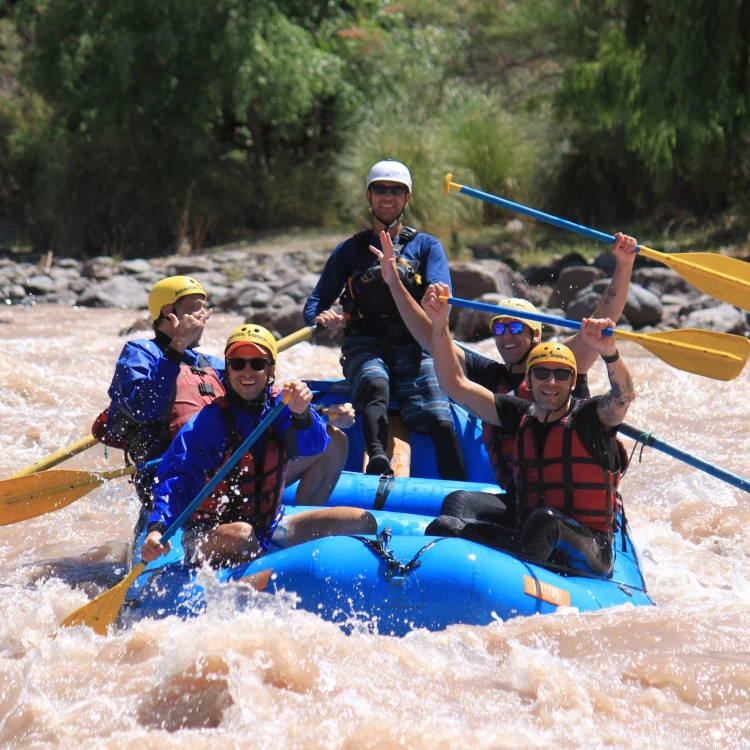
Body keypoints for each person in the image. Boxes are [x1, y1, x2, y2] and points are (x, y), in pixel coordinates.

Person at [369, 230, 637, 518]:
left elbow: (602, 319)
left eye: (516, 328)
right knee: (459, 508)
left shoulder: (562, 364)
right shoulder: (494, 379)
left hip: (572, 507)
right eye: (499, 328)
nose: (506, 336)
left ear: (537, 335)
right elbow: (433, 341)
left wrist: (623, 264)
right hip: (525, 495)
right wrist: (394, 282)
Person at [421, 288, 636, 575]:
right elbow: (454, 385)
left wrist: (610, 354)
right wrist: (439, 324)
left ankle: (518, 586)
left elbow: (623, 397)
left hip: (589, 546)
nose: (551, 382)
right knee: (447, 522)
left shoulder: (590, 418)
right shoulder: (520, 414)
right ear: (529, 382)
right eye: (542, 374)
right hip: (531, 534)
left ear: (573, 383)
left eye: (561, 374)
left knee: (545, 521)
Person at [98, 277, 350, 519]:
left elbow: (260, 400)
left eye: (204, 309)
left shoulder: (209, 363)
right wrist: (176, 347)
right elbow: (144, 409)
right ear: (168, 312)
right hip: (178, 472)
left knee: (333, 441)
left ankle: (288, 530)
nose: (204, 317)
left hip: (229, 465)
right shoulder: (140, 353)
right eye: (195, 309)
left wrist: (315, 411)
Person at [141, 324, 376, 566]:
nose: (247, 371)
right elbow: (176, 479)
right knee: (243, 537)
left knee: (362, 521)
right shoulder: (207, 422)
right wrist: (158, 528)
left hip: (269, 526)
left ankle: (285, 562)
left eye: (257, 363)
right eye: (237, 363)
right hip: (210, 536)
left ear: (270, 369)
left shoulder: (281, 406)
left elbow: (313, 447)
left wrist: (302, 413)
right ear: (228, 368)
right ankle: (281, 566)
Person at [302, 159, 466, 480]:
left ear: (407, 198)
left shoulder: (426, 247)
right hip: (364, 342)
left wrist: (436, 296)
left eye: (396, 190)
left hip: (415, 345)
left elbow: (441, 290)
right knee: (376, 383)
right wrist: (321, 318)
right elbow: (315, 303)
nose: (387, 196)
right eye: (380, 189)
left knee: (441, 418)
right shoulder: (349, 251)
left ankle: (460, 492)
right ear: (368, 195)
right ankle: (376, 456)